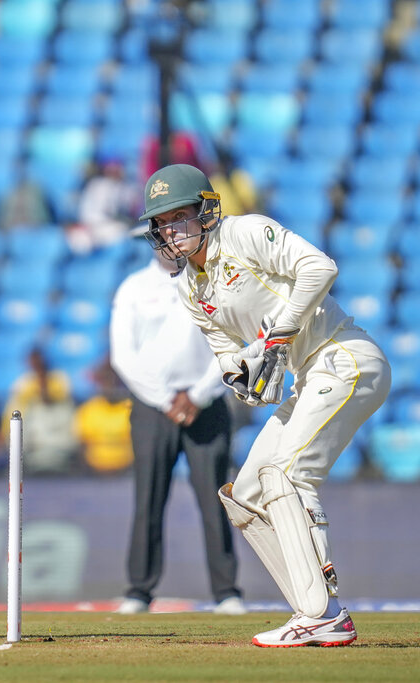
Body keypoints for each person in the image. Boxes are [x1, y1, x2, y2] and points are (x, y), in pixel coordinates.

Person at [138, 164, 390, 647]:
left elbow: (320, 267)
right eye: (163, 222)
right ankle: (312, 607)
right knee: (248, 495)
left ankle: (322, 612)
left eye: (181, 216)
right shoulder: (190, 287)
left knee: (289, 475)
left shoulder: (245, 232)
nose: (172, 230)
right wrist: (244, 375)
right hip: (307, 376)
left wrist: (279, 334)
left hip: (344, 357)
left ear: (205, 212)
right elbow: (227, 354)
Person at [109, 250, 244, 616]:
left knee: (215, 499)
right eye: (161, 230)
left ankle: (226, 591)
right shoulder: (134, 288)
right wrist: (166, 398)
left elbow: (232, 345)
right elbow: (124, 356)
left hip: (206, 402)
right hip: (153, 406)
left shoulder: (215, 281)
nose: (170, 241)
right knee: (149, 499)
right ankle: (139, 591)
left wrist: (197, 395)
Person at [3, 348, 78, 474]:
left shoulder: (59, 379)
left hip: (58, 444)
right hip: (31, 443)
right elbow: (13, 410)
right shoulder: (22, 383)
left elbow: (54, 396)